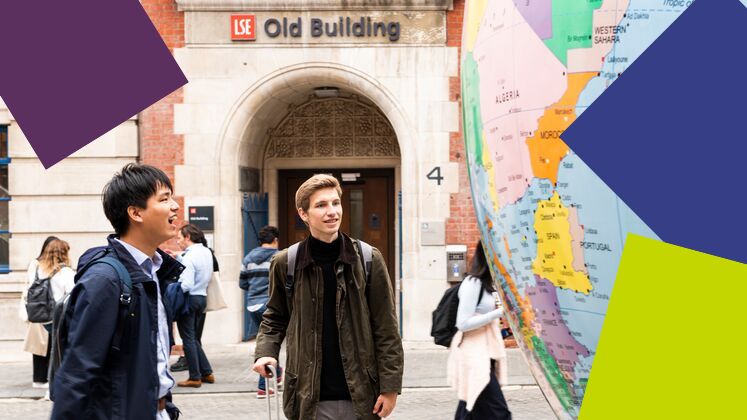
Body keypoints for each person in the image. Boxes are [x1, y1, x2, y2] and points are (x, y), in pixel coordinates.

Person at [253, 174, 404, 420]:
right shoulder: (286, 263)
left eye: (335, 203)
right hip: (307, 396)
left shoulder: (368, 259)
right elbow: (274, 317)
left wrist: (390, 387)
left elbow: (386, 328)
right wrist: (265, 352)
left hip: (360, 395)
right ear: (304, 214)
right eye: (321, 205)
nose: (331, 211)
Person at [51, 163, 183, 420]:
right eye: (164, 199)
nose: (175, 206)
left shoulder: (153, 272)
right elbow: (78, 372)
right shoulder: (105, 280)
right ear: (135, 213)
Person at [447, 240, 512, 420]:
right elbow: (463, 323)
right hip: (474, 355)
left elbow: (484, 323)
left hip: (485, 353)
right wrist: (498, 313)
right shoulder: (473, 283)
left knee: (470, 408)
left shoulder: (488, 284)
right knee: (499, 412)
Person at [19, 237, 74, 389]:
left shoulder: (38, 269)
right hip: (58, 317)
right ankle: (54, 385)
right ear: (63, 253)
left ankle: (43, 382)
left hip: (41, 316)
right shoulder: (65, 272)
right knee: (58, 351)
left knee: (46, 350)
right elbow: (72, 294)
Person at [241, 225, 283, 397]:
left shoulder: (249, 258)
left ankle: (277, 372)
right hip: (269, 305)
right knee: (270, 342)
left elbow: (242, 283)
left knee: (268, 340)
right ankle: (263, 386)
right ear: (275, 240)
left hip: (252, 305)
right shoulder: (278, 257)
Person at [173, 223, 215, 388]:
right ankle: (207, 372)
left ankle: (194, 377)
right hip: (202, 297)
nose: (178, 241)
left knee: (188, 339)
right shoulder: (206, 251)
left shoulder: (189, 256)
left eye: (179, 238)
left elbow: (186, 284)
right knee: (194, 338)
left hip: (189, 299)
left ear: (188, 237)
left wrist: (173, 290)